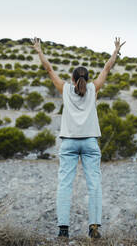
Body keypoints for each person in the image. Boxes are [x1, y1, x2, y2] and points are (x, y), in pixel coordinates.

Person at [31, 36, 125, 239]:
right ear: (87, 79)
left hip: (69, 142)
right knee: (94, 185)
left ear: (73, 80)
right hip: (90, 142)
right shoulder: (93, 89)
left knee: (64, 184)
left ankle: (63, 229)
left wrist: (39, 51)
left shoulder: (65, 89)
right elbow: (107, 69)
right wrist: (115, 51)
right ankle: (94, 228)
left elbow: (49, 70)